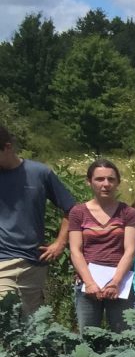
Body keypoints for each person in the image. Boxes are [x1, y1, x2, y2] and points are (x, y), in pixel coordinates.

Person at [0, 125, 76, 316]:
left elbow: (71, 209)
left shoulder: (40, 173)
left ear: (7, 147)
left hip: (34, 262)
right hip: (2, 259)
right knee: (5, 317)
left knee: (33, 326)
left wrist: (60, 243)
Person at [68, 159, 135, 333]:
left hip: (120, 285)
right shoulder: (78, 212)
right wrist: (90, 283)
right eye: (99, 179)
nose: (106, 184)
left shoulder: (128, 213)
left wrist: (115, 282)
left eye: (111, 179)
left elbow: (130, 250)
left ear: (118, 183)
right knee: (90, 337)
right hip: (87, 285)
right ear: (89, 182)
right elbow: (75, 250)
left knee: (123, 337)